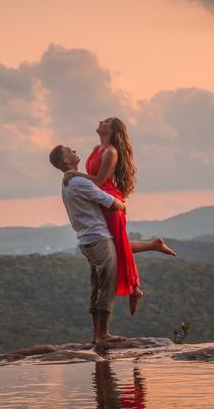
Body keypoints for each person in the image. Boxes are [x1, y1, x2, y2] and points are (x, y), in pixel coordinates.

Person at [63, 118, 175, 315]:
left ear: (112, 130)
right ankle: (148, 258)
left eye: (105, 122)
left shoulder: (111, 152)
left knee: (116, 246)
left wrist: (73, 175)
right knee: (115, 246)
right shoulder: (96, 148)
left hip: (110, 202)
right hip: (100, 200)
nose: (100, 121)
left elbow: (99, 180)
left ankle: (135, 287)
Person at [50, 144, 125, 344]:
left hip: (86, 240)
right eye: (69, 150)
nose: (74, 150)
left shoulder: (69, 181)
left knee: (96, 286)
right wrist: (122, 203)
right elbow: (110, 201)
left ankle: (97, 334)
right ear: (65, 161)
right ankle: (103, 335)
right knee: (107, 284)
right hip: (98, 237)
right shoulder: (77, 183)